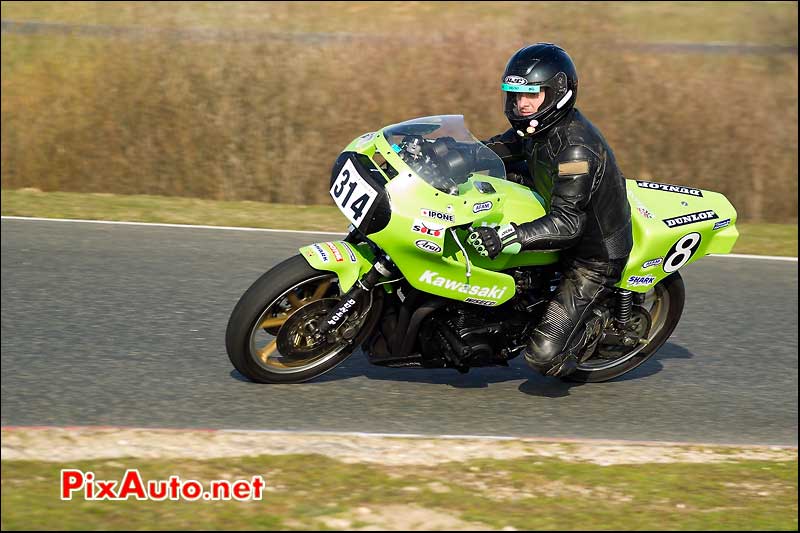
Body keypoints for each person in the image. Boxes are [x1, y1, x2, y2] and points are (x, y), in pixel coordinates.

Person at [466, 43, 633, 378]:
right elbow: (496, 150)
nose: (522, 104)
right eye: (515, 95)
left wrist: (507, 235)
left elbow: (568, 223)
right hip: (550, 208)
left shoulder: (575, 151)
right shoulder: (535, 126)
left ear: (557, 94)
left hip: (591, 257)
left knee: (542, 358)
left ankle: (594, 333)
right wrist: (448, 150)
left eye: (532, 95)